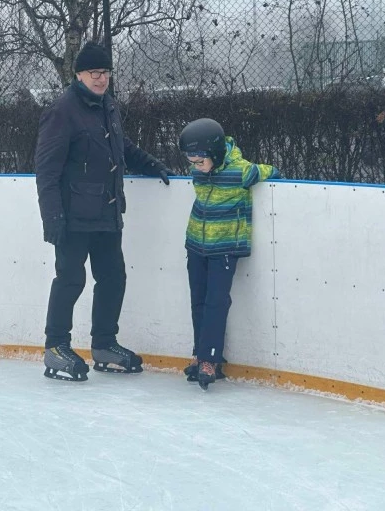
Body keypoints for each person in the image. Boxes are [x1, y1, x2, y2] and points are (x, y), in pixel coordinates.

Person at [35, 41, 174, 382]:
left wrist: (149, 163)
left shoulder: (107, 106)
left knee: (113, 277)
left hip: (107, 212)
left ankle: (104, 344)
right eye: (94, 73)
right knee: (70, 278)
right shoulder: (62, 111)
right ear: (79, 74)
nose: (101, 79)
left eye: (106, 73)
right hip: (73, 216)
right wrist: (52, 218)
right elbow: (46, 170)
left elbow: (120, 146)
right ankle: (55, 346)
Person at [178, 118, 280, 390]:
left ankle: (211, 360)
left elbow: (272, 171)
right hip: (196, 244)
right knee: (197, 300)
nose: (195, 167)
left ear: (217, 153)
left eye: (200, 161)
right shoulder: (200, 170)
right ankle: (200, 355)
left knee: (216, 302)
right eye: (192, 162)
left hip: (224, 248)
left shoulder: (242, 172)